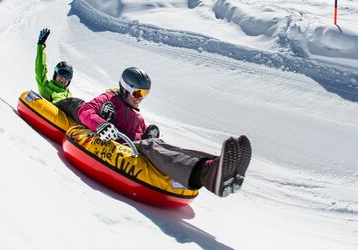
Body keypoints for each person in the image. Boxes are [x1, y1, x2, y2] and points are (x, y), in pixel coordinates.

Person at [77, 67, 252, 197]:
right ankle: (207, 175)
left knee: (166, 146)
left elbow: (142, 135)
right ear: (125, 88)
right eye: (138, 93)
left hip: (136, 147)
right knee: (152, 145)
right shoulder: (110, 99)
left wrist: (147, 134)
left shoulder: (137, 116)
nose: (141, 98)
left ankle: (216, 167)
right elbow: (85, 111)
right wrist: (100, 124)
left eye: (144, 93)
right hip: (118, 145)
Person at [35, 28, 84, 122]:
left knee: (85, 106)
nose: (64, 78)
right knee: (75, 103)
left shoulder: (68, 94)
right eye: (62, 73)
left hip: (65, 117)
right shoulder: (45, 86)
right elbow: (40, 67)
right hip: (55, 108)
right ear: (55, 74)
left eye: (68, 76)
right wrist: (41, 45)